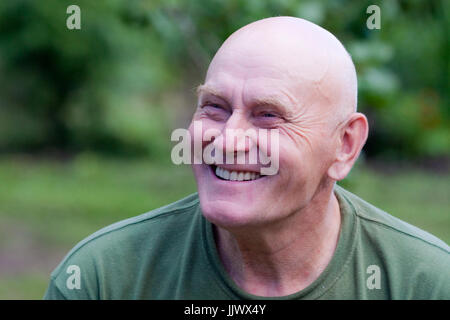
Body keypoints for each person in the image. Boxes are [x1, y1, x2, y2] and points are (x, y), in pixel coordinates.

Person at [44, 16, 449, 300]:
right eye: (214, 108)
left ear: (345, 145)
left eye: (268, 115)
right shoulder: (102, 278)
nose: (228, 140)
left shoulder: (426, 283)